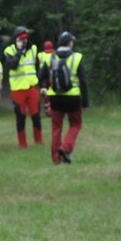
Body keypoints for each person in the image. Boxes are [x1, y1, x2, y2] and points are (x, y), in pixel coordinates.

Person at [46, 31, 89, 164]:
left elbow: (42, 75)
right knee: (76, 124)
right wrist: (85, 102)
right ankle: (65, 148)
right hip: (73, 97)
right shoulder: (77, 57)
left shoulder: (51, 57)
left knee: (56, 127)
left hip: (55, 97)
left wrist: (44, 88)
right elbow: (83, 82)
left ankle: (56, 159)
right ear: (70, 43)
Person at [0, 25, 43, 148]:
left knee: (36, 115)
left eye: (26, 38)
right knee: (20, 116)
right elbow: (12, 65)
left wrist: (40, 82)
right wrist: (19, 51)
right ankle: (22, 144)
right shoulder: (9, 50)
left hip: (32, 87)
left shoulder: (33, 49)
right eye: (21, 39)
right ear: (16, 39)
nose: (24, 41)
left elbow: (39, 67)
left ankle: (39, 141)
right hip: (18, 89)